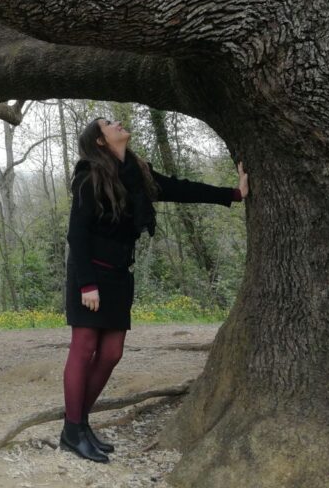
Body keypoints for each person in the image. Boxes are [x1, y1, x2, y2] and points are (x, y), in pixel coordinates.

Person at [60, 116, 249, 462]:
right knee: (84, 347)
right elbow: (77, 235)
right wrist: (87, 284)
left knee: (112, 352)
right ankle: (74, 429)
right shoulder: (89, 177)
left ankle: (78, 424)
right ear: (100, 141)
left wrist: (234, 194)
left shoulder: (138, 173)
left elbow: (180, 189)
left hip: (118, 274)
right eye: (108, 124)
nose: (117, 124)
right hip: (88, 276)